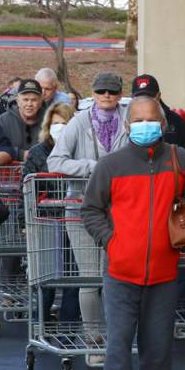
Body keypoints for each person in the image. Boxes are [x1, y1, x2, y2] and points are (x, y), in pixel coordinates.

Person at [82, 96, 185, 370]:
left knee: (158, 348)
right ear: (128, 126)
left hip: (165, 274)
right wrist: (111, 241)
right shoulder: (110, 166)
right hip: (120, 272)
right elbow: (90, 210)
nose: (146, 126)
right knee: (118, 344)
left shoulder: (181, 160)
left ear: (163, 124)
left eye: (151, 120)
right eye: (139, 120)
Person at [49, 72, 129, 336]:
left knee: (117, 276)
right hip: (81, 209)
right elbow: (56, 160)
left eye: (112, 91)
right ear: (93, 94)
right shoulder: (78, 122)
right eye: (101, 91)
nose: (107, 96)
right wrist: (93, 168)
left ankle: (117, 336)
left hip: (121, 211)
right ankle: (92, 337)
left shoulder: (129, 119)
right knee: (90, 277)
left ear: (120, 94)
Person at [25, 102, 81, 323]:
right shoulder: (38, 153)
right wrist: (24, 221)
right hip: (46, 222)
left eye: (65, 124)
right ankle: (41, 322)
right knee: (46, 276)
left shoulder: (78, 151)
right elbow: (27, 188)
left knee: (73, 276)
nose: (59, 128)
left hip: (74, 220)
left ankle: (68, 324)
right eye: (56, 124)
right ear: (48, 126)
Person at [131, 73, 185, 153]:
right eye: (140, 98)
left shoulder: (175, 121)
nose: (145, 101)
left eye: (149, 97)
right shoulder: (127, 121)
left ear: (158, 96)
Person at [0, 78, 44, 163]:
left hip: (41, 173)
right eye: (25, 99)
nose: (29, 104)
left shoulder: (49, 120)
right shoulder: (4, 120)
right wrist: (21, 154)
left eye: (34, 100)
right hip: (10, 174)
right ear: (18, 100)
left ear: (40, 101)